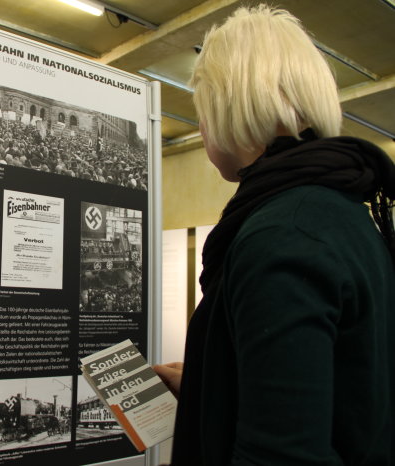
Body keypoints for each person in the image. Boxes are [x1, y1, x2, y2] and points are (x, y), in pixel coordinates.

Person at [153, 5, 395, 465]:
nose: (202, 129)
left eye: (203, 110)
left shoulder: (284, 236)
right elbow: (336, 396)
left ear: (229, 111)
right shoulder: (341, 212)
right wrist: (212, 387)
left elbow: (283, 454)